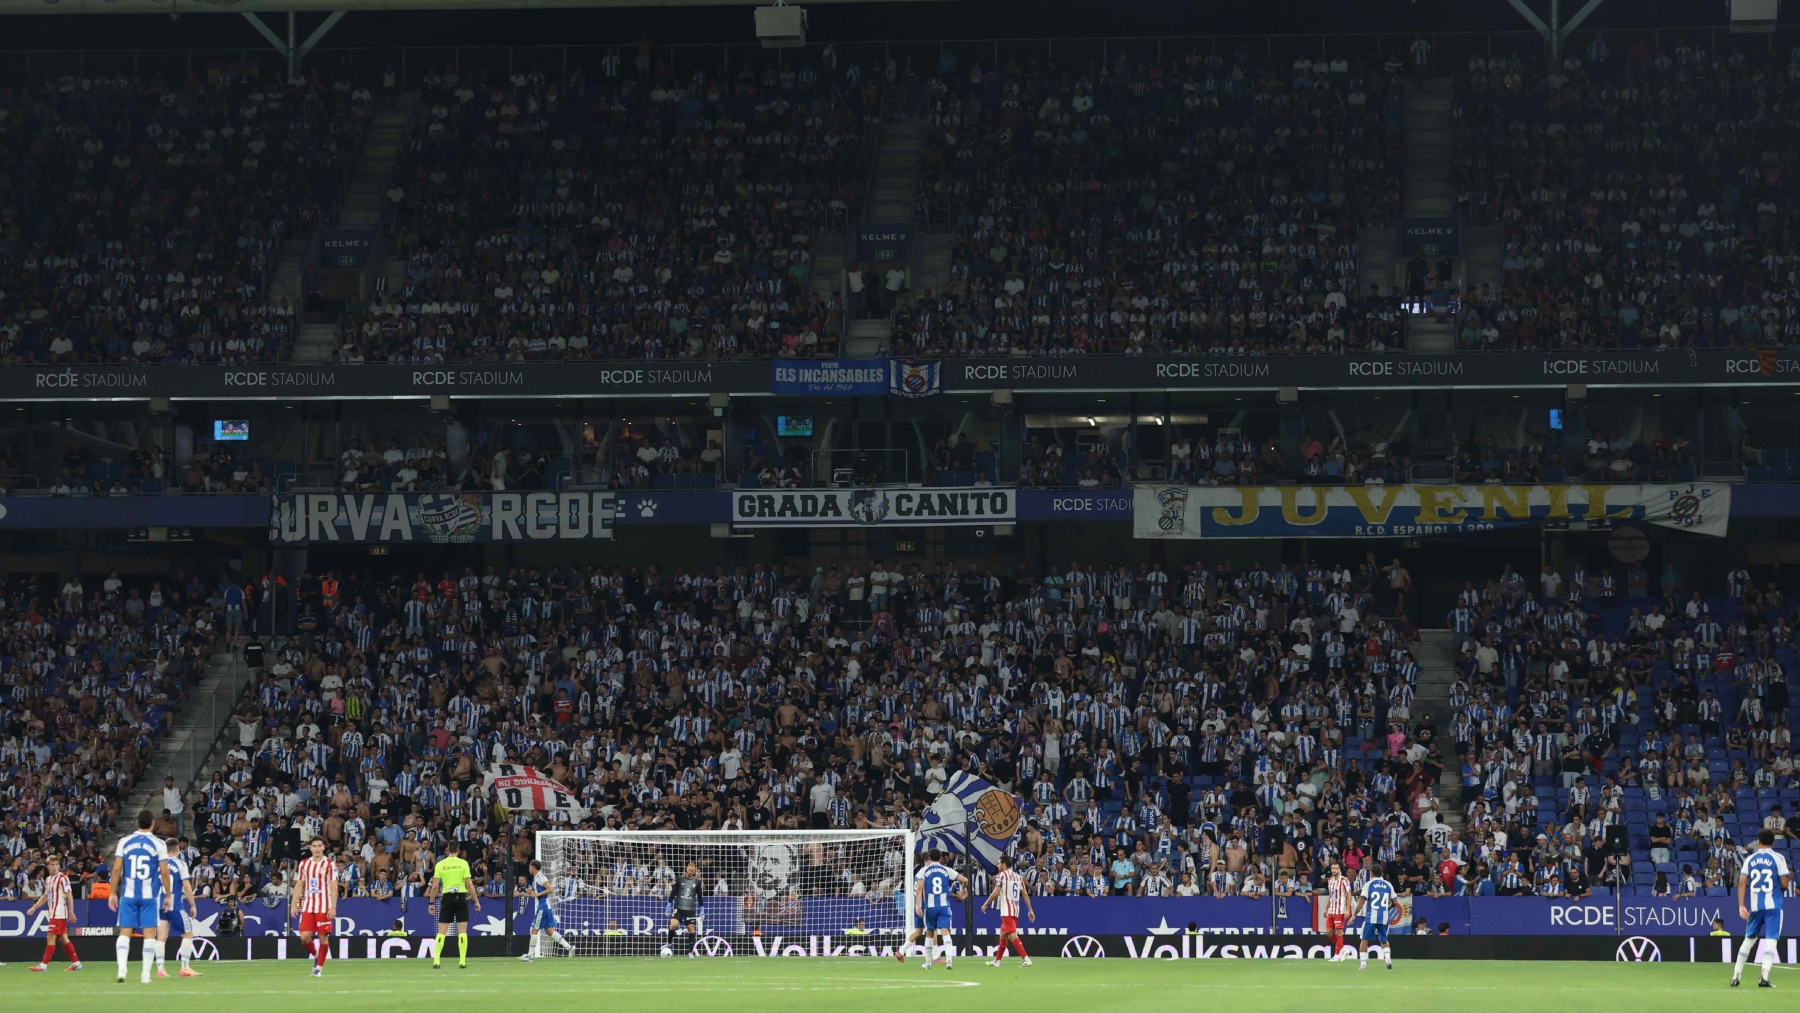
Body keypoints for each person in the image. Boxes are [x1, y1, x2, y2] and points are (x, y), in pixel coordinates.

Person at [110, 809, 170, 984]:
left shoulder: (125, 842)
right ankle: (145, 974)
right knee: (149, 935)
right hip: (149, 895)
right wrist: (167, 895)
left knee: (124, 933)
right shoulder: (159, 844)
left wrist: (112, 892)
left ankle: (122, 969)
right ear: (152, 824)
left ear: (137, 823)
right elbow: (164, 873)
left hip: (128, 894)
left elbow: (116, 869)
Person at [1730, 828, 1791, 988]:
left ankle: (1736, 975)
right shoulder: (1778, 858)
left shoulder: (1750, 859)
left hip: (1755, 906)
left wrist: (1742, 905)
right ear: (1773, 842)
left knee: (1749, 939)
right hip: (1774, 906)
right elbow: (1784, 884)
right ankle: (1764, 977)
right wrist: (1778, 889)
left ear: (1758, 842)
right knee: (1770, 941)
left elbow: (1742, 882)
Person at [428, 839, 480, 969]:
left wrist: (431, 902)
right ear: (458, 850)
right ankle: (462, 961)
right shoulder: (463, 864)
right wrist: (476, 901)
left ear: (447, 850)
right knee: (462, 931)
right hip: (461, 897)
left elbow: (434, 886)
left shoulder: (440, 864)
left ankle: (436, 961)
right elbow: (469, 884)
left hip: (447, 898)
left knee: (442, 930)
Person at [292, 836, 338, 978]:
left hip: (324, 905)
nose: (317, 848)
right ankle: (316, 955)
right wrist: (293, 903)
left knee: (322, 937)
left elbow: (333, 885)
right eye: (314, 846)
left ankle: (319, 968)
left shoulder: (330, 864)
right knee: (304, 937)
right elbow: (300, 883)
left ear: (324, 847)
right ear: (310, 848)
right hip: (308, 905)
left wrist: (333, 906)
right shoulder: (304, 864)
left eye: (320, 846)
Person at [26, 853, 81, 972]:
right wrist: (34, 908)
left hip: (59, 913)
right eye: (52, 865)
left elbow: (69, 895)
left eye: (56, 865)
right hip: (53, 913)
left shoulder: (63, 878)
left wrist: (71, 912)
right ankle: (76, 963)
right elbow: (46, 896)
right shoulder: (48, 880)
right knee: (63, 938)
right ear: (47, 866)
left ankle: (43, 965)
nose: (55, 867)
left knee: (50, 936)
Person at [913, 850, 967, 970]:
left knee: (929, 933)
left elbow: (920, 887)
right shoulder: (946, 869)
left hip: (930, 907)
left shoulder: (924, 870)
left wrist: (917, 905)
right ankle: (949, 961)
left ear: (929, 857)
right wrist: (963, 890)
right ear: (941, 858)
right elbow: (965, 880)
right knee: (945, 933)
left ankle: (928, 963)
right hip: (944, 906)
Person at [158, 838, 202, 977]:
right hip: (175, 905)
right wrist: (193, 905)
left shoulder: (158, 865)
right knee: (188, 933)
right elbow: (187, 886)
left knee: (161, 937)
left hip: (159, 904)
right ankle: (185, 967)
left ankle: (161, 969)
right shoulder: (180, 864)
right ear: (178, 850)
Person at [982, 854, 1035, 967]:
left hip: (1007, 910)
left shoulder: (1001, 876)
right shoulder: (1018, 877)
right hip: (1015, 910)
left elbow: (996, 892)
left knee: (1012, 935)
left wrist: (986, 904)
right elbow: (1024, 893)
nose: (997, 865)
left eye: (999, 863)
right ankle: (997, 961)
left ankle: (1026, 959)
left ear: (1004, 865)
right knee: (1003, 935)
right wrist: (1030, 910)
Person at [520, 859, 574, 961]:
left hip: (543, 907)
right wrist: (532, 892)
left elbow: (550, 889)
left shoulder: (541, 877)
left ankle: (530, 955)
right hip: (546, 906)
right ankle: (569, 947)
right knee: (549, 931)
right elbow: (539, 893)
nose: (528, 868)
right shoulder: (536, 878)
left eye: (529, 867)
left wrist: (537, 894)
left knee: (534, 929)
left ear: (533, 867)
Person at [1356, 872, 1397, 970]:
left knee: (1364, 939)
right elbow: (1395, 902)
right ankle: (1387, 959)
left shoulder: (1369, 884)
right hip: (1384, 916)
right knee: (1383, 939)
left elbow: (1362, 901)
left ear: (1371, 873)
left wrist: (1354, 914)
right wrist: (1387, 908)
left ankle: (1363, 963)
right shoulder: (1388, 884)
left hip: (1371, 916)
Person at [1324, 862, 1355, 961]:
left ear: (1340, 870)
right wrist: (1326, 909)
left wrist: (1347, 910)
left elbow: (1349, 895)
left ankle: (1337, 955)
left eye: (1336, 868)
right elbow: (1331, 896)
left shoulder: (1344, 880)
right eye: (1333, 868)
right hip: (1331, 910)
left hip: (1340, 911)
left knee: (1339, 932)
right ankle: (1343, 949)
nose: (1334, 870)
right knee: (1328, 932)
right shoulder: (1330, 881)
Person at [669, 861, 703, 949]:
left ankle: (690, 952)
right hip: (679, 907)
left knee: (691, 929)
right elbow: (673, 892)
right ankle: (669, 943)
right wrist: (669, 903)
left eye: (692, 871)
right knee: (673, 925)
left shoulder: (697, 881)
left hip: (690, 909)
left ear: (694, 871)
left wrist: (702, 907)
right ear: (686, 869)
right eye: (689, 870)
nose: (690, 872)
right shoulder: (680, 879)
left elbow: (699, 895)